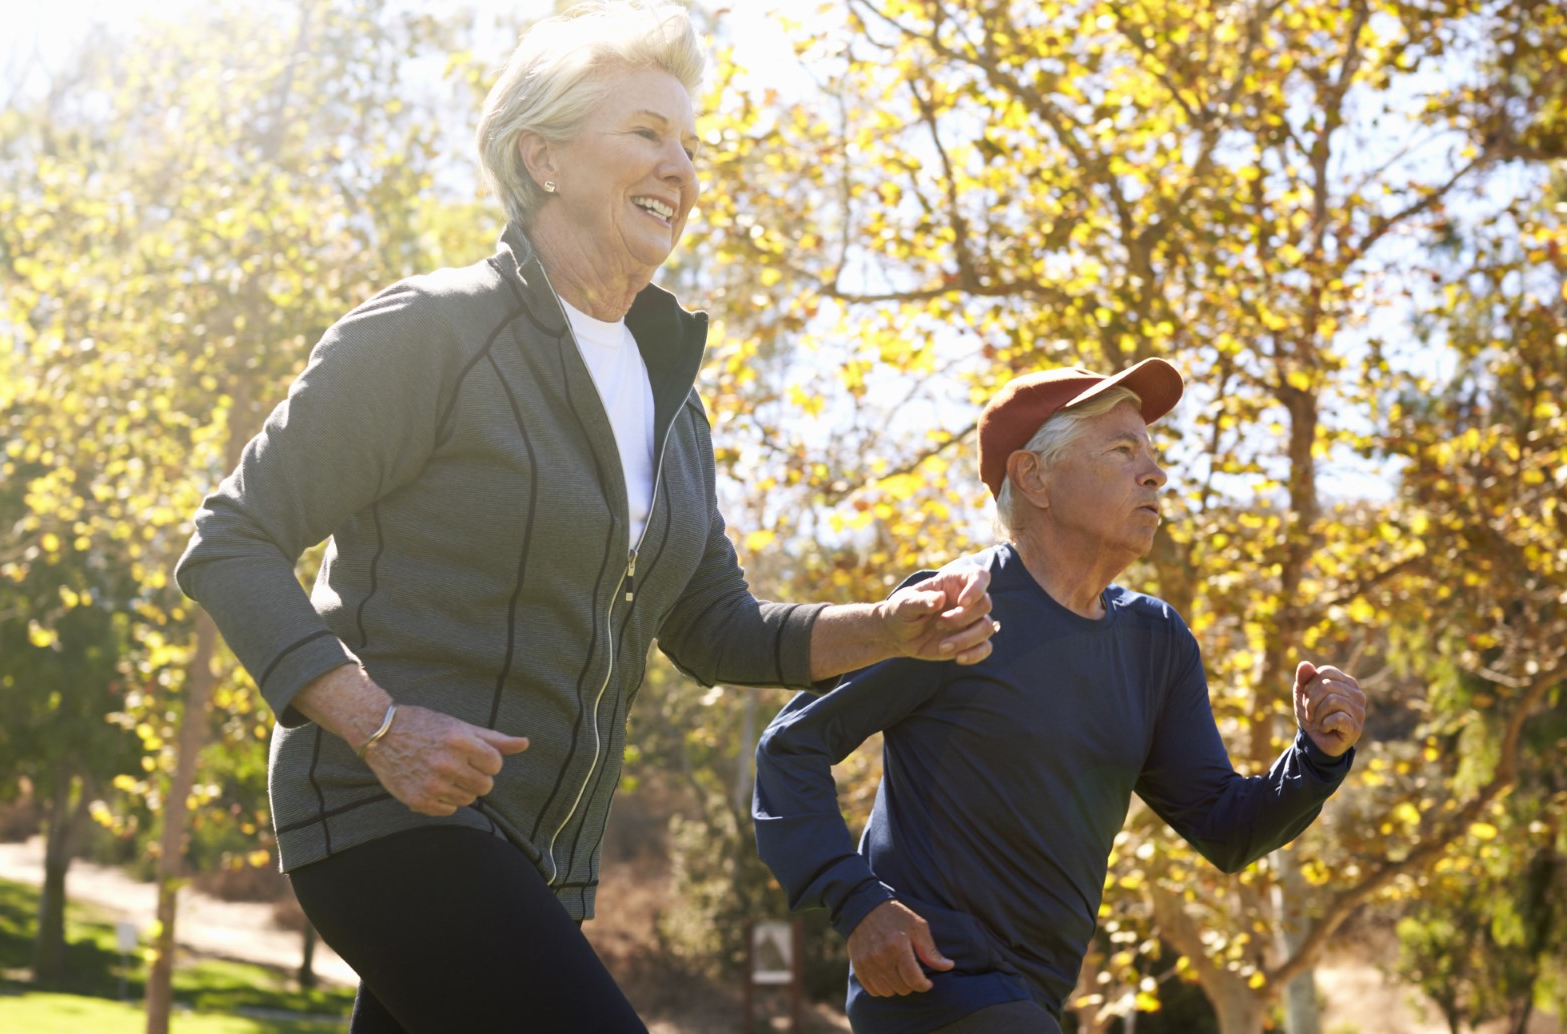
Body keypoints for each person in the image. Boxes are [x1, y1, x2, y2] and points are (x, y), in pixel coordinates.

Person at [172, 3, 995, 1030]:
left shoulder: (672, 404)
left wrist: (889, 625)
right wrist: (378, 724)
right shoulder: (434, 332)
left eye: (693, 144)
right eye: (648, 132)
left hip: (539, 860)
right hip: (390, 815)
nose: (682, 167)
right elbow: (232, 537)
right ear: (543, 157)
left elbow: (713, 625)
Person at [752, 362, 1369, 1033]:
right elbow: (791, 747)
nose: (1156, 473)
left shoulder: (1155, 643)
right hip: (933, 988)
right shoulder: (959, 606)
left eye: (1155, 453)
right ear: (1034, 477)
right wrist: (859, 905)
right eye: (1123, 450)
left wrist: (1316, 758)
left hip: (1034, 1000)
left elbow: (1225, 827)